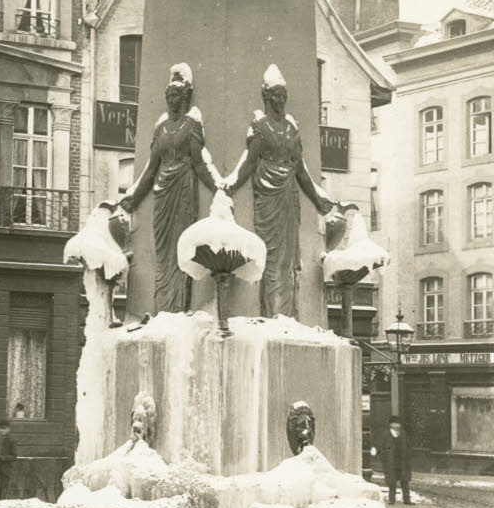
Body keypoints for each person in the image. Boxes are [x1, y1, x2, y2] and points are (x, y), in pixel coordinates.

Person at [222, 64, 341, 319]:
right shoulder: (260, 126)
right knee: (270, 257)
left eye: (283, 95)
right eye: (276, 95)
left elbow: (300, 169)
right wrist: (230, 185)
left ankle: (286, 315)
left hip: (287, 198)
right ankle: (269, 314)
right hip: (267, 201)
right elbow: (249, 163)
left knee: (287, 260)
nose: (281, 100)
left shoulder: (290, 128)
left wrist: (317, 196)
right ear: (266, 96)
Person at [116, 64, 219, 315]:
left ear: (185, 96)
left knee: (180, 247)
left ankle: (179, 309)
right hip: (163, 192)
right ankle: (164, 309)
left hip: (183, 188)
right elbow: (151, 169)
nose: (172, 101)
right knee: (163, 252)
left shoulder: (191, 125)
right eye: (169, 96)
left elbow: (199, 163)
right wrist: (133, 197)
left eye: (176, 96)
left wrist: (219, 189)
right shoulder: (160, 129)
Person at [0, 407, 21, 503]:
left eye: (4, 429)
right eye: (1, 429)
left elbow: (14, 456)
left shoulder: (12, 441)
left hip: (6, 467)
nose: (2, 431)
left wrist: (3, 458)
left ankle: (2, 503)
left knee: (4, 487)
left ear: (8, 429)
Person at [383, 416, 413, 505]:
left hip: (402, 462)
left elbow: (409, 447)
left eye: (398, 424)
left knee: (405, 482)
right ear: (390, 425)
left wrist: (408, 458)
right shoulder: (386, 435)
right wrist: (385, 460)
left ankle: (407, 500)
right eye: (394, 424)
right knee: (392, 482)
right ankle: (391, 500)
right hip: (392, 462)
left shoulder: (403, 434)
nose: (396, 426)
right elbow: (382, 449)